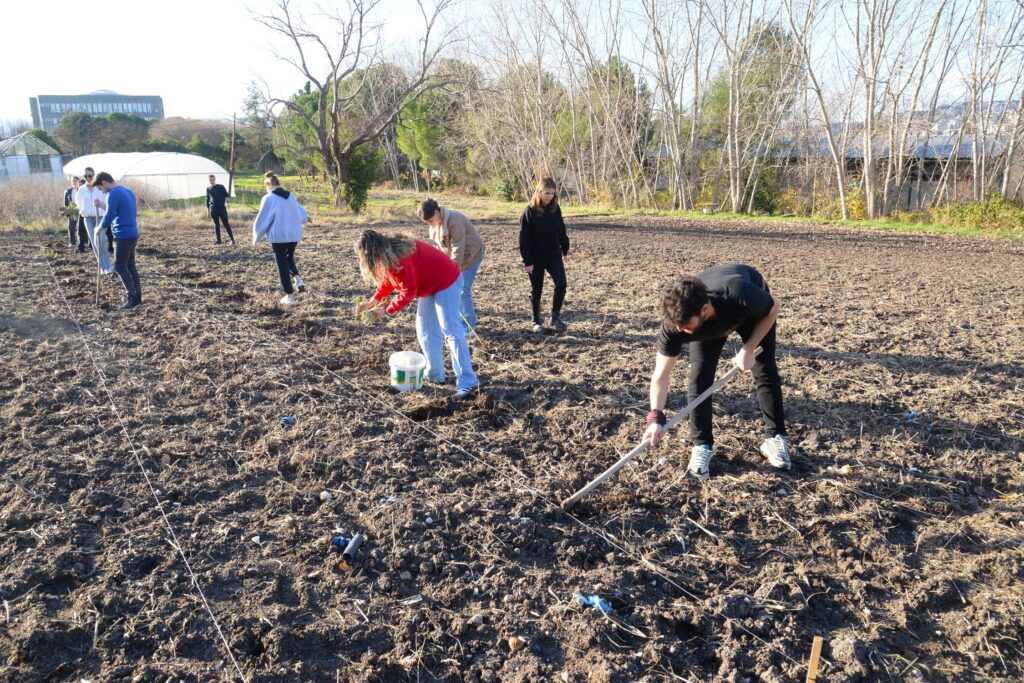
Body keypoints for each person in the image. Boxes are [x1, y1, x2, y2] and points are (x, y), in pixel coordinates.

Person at [642, 264, 791, 480]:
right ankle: (701, 445)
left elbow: (774, 307)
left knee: (764, 367)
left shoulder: (739, 293)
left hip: (747, 313)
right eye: (678, 327)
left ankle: (775, 437)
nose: (682, 332)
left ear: (704, 309)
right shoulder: (676, 326)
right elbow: (661, 376)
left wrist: (749, 349)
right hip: (709, 320)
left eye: (686, 327)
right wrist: (655, 417)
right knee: (700, 378)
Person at [354, 230, 479, 399]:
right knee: (425, 329)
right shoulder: (389, 254)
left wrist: (386, 310)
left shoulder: (401, 256)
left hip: (447, 280)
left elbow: (408, 291)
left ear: (373, 251)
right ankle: (435, 375)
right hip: (430, 285)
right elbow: (388, 280)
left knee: (451, 331)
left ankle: (468, 382)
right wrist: (372, 303)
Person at [417, 198, 485, 334]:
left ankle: (469, 327)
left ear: (437, 212)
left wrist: (452, 273)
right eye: (427, 222)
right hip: (456, 258)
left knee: (462, 290)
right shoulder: (436, 223)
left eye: (430, 221)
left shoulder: (455, 220)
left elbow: (458, 248)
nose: (430, 224)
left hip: (471, 256)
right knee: (456, 290)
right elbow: (440, 247)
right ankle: (459, 322)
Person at [519, 176, 570, 334]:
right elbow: (524, 238)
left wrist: (565, 245)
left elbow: (560, 229)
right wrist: (528, 261)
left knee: (561, 284)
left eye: (552, 193)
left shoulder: (555, 209)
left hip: (554, 256)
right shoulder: (529, 212)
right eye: (546, 193)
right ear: (539, 192)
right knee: (537, 290)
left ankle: (555, 317)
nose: (550, 196)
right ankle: (536, 321)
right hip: (536, 259)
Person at [252, 172, 306, 305]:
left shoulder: (269, 198)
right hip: (293, 235)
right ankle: (298, 281)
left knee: (282, 265)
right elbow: (303, 216)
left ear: (269, 185)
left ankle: (289, 296)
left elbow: (263, 219)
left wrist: (256, 236)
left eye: (266, 187)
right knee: (289, 259)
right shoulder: (291, 196)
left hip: (279, 237)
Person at [94, 172, 142, 311]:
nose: (101, 191)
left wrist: (100, 227)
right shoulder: (128, 191)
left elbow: (109, 216)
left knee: (120, 268)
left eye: (100, 188)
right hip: (133, 233)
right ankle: (138, 298)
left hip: (122, 235)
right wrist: (102, 205)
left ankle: (131, 299)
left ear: (104, 183)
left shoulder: (113, 194)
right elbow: (118, 212)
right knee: (131, 267)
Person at [76, 167, 112, 275]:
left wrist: (100, 205)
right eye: (85, 176)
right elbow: (78, 204)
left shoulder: (99, 188)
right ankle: (102, 267)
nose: (88, 178)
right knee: (94, 242)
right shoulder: (81, 190)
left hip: (100, 217)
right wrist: (81, 212)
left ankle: (108, 267)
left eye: (90, 176)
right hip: (88, 219)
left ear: (94, 175)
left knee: (100, 241)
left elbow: (107, 204)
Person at [62, 176, 89, 252]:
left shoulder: (82, 190)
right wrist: (66, 212)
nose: (74, 182)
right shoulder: (68, 191)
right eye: (72, 181)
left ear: (78, 182)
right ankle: (72, 243)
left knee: (83, 227)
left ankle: (85, 242)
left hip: (81, 210)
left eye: (75, 181)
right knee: (71, 227)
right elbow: (66, 203)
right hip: (72, 210)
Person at [206, 174, 234, 245]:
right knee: (216, 225)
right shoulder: (208, 189)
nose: (211, 181)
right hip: (213, 209)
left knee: (226, 224)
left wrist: (227, 197)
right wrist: (208, 211)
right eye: (210, 180)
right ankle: (218, 240)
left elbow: (227, 195)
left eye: (212, 180)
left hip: (221, 209)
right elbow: (207, 200)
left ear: (215, 179)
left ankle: (232, 240)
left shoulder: (221, 187)